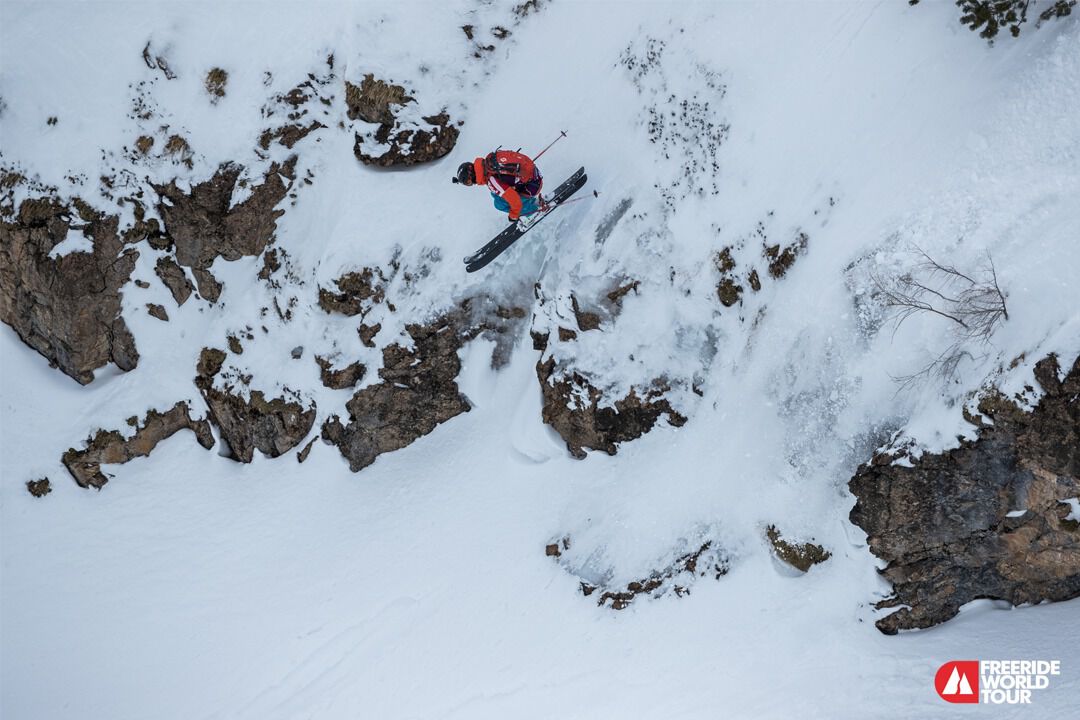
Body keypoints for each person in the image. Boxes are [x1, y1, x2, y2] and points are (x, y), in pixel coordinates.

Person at [452, 149, 544, 227]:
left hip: (532, 186)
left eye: (468, 182)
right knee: (496, 193)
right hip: (534, 175)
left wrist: (513, 216)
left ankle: (532, 212)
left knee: (499, 204)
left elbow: (515, 201)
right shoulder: (490, 162)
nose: (472, 184)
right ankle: (531, 203)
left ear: (471, 175)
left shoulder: (491, 179)